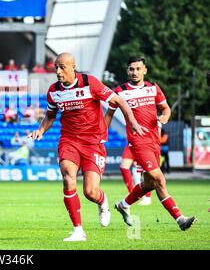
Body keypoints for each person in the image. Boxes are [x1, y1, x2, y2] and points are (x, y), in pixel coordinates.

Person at [29, 52, 146, 242]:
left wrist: (131, 121)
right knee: (68, 177)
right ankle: (78, 231)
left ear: (73, 67)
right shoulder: (53, 91)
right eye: (56, 67)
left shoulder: (90, 83)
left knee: (90, 192)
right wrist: (41, 130)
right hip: (69, 140)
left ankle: (102, 201)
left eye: (62, 67)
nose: (58, 71)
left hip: (93, 142)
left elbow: (119, 101)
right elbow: (50, 116)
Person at [105, 56, 196, 231]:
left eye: (138, 69)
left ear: (145, 70)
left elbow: (166, 109)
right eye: (131, 69)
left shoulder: (153, 88)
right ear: (127, 71)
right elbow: (109, 114)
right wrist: (101, 135)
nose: (134, 72)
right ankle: (180, 219)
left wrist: (163, 118)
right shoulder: (120, 91)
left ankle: (124, 204)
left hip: (154, 142)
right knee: (160, 179)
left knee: (149, 184)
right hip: (137, 142)